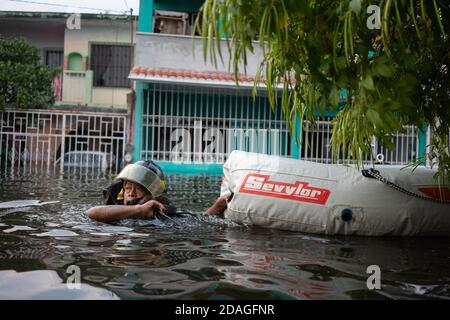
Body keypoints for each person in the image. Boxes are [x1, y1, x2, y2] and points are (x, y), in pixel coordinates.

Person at [87, 160, 170, 223]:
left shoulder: (164, 216)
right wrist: (139, 210)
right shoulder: (114, 208)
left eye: (139, 188)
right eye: (128, 188)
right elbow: (92, 213)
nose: (131, 193)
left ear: (154, 194)